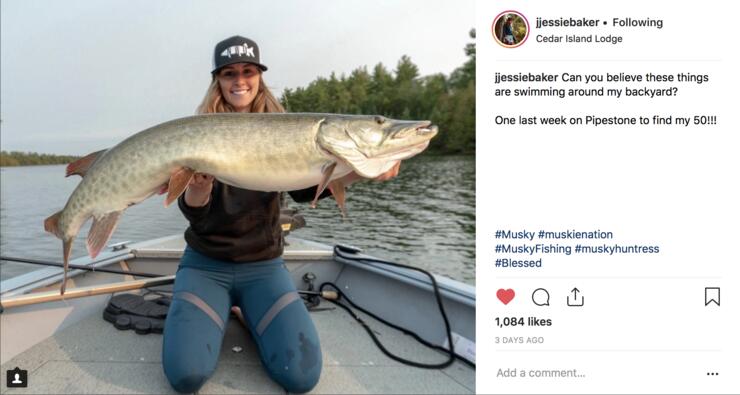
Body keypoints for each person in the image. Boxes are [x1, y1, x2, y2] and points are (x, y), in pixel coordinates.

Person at [161, 35, 401, 394]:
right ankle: (221, 308)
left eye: (247, 71)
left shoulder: (285, 128)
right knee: (186, 375)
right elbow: (196, 215)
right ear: (218, 81)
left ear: (259, 77)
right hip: (205, 266)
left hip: (263, 267)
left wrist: (359, 170)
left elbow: (305, 191)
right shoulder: (199, 130)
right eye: (229, 73)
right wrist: (197, 188)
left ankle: (242, 311)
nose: (239, 80)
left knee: (301, 375)